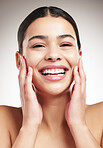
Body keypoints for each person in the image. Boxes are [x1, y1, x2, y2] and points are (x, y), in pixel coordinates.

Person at [0, 6, 102, 148]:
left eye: (65, 44)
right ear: (19, 60)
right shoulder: (3, 120)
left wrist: (79, 125)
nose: (53, 55)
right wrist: (29, 126)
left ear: (79, 57)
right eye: (38, 45)